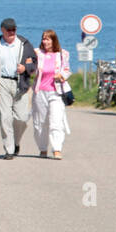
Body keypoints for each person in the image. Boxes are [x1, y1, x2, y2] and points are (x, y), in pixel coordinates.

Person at [0, 18, 37, 160]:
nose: (12, 32)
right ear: (2, 30)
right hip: (2, 82)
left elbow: (34, 62)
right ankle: (9, 149)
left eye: (14, 29)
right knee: (5, 118)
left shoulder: (24, 43)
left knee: (22, 118)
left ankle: (16, 142)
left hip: (20, 83)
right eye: (9, 30)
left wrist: (26, 68)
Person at [31, 29, 72, 159]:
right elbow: (31, 69)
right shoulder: (37, 53)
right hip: (40, 92)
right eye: (43, 38)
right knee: (40, 122)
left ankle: (57, 149)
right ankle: (43, 148)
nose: (45, 41)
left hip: (56, 92)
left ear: (54, 40)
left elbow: (67, 69)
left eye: (48, 39)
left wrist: (62, 75)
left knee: (56, 121)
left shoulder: (62, 54)